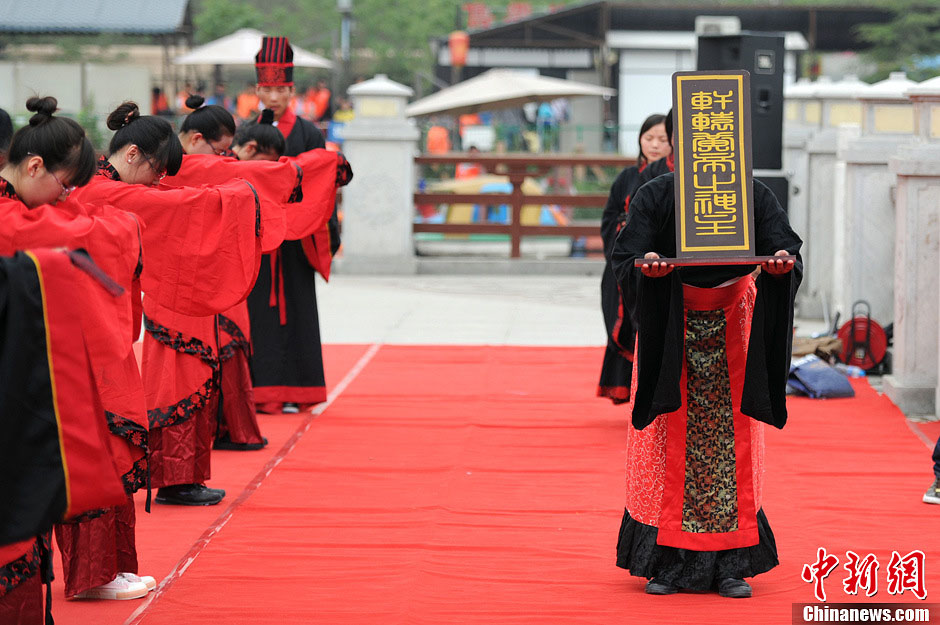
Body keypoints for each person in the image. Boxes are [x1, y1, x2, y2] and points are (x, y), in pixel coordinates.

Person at [610, 131, 803, 597]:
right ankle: (665, 563)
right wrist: (647, 266)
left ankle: (731, 564)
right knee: (663, 446)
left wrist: (781, 265)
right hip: (671, 326)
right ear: (680, 146)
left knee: (731, 447)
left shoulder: (754, 195)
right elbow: (624, 256)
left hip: (734, 325)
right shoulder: (656, 193)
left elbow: (787, 250)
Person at [72, 101, 264, 508]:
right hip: (87, 322)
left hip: (111, 316)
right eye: (156, 170)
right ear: (131, 154)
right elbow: (169, 205)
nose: (158, 180)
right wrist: (231, 199)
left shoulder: (110, 185)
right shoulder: (102, 189)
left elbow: (167, 199)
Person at [0, 96, 136, 616]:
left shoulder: (22, 208)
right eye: (62, 182)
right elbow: (87, 237)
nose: (64, 195)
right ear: (35, 166)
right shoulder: (14, 221)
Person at [250, 35, 338, 415]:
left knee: (298, 309)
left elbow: (323, 183)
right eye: (267, 88)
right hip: (257, 239)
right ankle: (259, 393)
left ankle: (299, 390)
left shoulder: (309, 132)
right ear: (257, 89)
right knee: (257, 316)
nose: (274, 96)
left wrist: (314, 226)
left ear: (291, 90)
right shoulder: (245, 132)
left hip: (297, 238)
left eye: (281, 89)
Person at [597, 113, 670, 404]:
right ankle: (626, 389)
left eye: (662, 140)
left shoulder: (671, 177)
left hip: (657, 264)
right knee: (621, 324)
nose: (654, 145)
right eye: (648, 138)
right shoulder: (626, 177)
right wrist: (626, 236)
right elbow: (609, 218)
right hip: (622, 267)